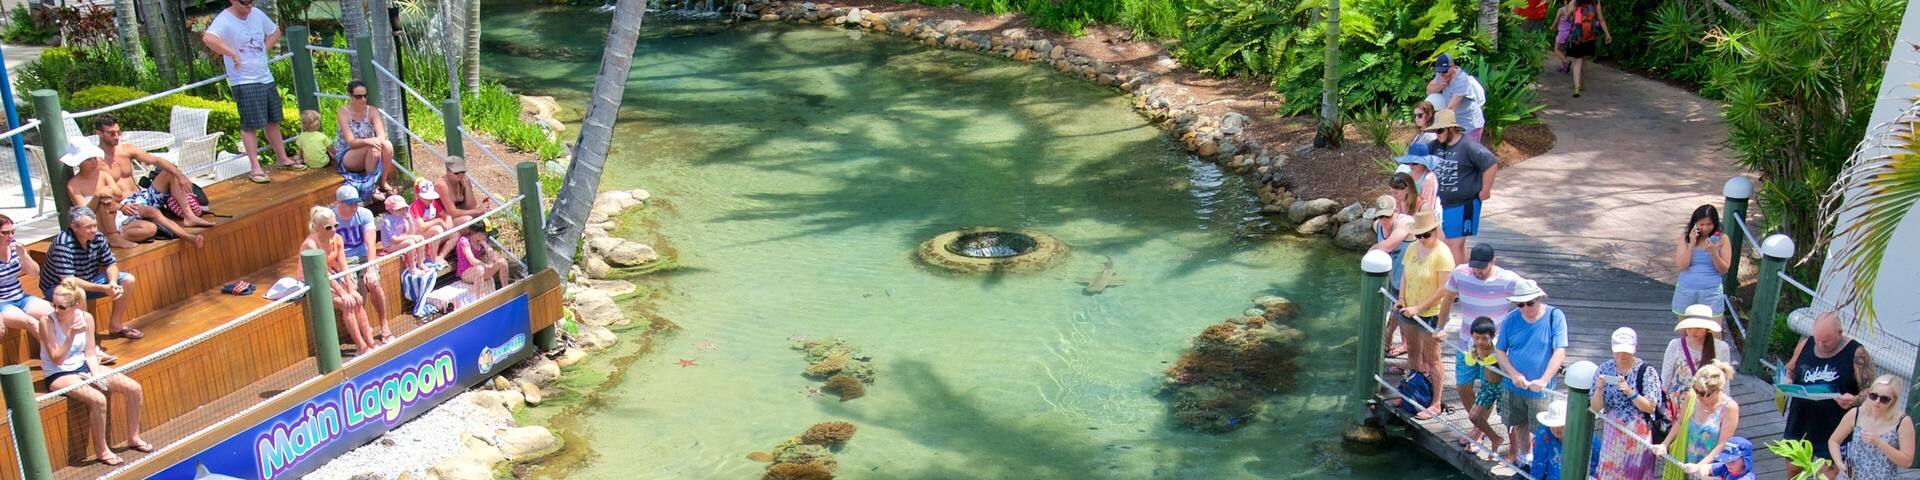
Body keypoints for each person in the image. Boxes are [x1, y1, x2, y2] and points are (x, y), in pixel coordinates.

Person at [38, 277, 150, 465]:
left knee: (134, 388)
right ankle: (102, 451)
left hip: (82, 366)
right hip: (58, 373)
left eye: (61, 307)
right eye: (54, 305)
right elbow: (57, 358)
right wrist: (71, 335)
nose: (56, 310)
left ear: (75, 306)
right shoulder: (46, 322)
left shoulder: (86, 318)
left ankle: (134, 437)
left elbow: (90, 352)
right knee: (98, 399)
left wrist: (96, 374)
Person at [202, 0, 295, 183]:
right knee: (250, 125)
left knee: (273, 120)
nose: (249, 5)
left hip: (265, 77)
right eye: (245, 2)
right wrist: (232, 53)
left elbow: (275, 31)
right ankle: (255, 168)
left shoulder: (257, 14)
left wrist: (263, 49)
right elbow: (209, 38)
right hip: (244, 81)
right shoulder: (225, 19)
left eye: (251, 1)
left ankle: (283, 158)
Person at [1428, 243, 1521, 416]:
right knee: (1463, 386)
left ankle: (1478, 430)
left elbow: (1530, 298)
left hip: (1494, 349)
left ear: (1493, 261)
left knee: (1488, 390)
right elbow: (1448, 299)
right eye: (1474, 267)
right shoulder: (1460, 273)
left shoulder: (1509, 279)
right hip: (1466, 343)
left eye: (1482, 268)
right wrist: (1440, 327)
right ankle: (1477, 423)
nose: (1477, 271)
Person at [1785, 311, 1878, 478]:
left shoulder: (1857, 353)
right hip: (1801, 420)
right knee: (1794, 470)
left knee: (1827, 475)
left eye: (1826, 342)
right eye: (1817, 340)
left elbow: (1872, 390)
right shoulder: (1806, 344)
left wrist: (1855, 399)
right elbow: (1790, 368)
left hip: (1834, 425)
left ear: (1840, 333)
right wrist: (1788, 380)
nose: (1820, 345)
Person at [61, 140, 203, 249]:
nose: (93, 162)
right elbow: (85, 213)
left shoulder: (103, 175)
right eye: (88, 159)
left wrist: (113, 196)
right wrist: (98, 195)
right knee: (104, 201)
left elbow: (118, 194)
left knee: (151, 228)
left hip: (118, 216)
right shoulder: (73, 185)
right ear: (79, 162)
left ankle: (187, 236)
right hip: (97, 224)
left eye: (94, 158)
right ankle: (112, 236)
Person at [95, 114, 218, 231]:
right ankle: (184, 234)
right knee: (152, 214)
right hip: (126, 206)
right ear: (99, 133)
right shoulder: (96, 160)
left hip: (144, 195)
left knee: (170, 172)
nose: (116, 136)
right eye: (111, 134)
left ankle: (189, 216)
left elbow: (156, 160)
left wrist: (180, 175)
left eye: (118, 132)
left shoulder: (126, 149)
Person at [1495, 278, 1567, 465]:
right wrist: (1513, 373)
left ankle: (1545, 462)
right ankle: (1525, 457)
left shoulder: (1555, 316)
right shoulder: (1511, 319)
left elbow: (1559, 351)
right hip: (1513, 386)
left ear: (1539, 298)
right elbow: (1500, 350)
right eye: (1521, 304)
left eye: (1530, 303)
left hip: (1541, 390)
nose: (1526, 308)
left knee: (1544, 429)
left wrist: (1544, 379)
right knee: (1519, 423)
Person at [42, 207, 141, 339]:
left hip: (90, 279)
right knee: (79, 293)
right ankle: (87, 341)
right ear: (74, 227)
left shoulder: (98, 237)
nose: (93, 230)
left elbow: (110, 264)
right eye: (88, 227)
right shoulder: (63, 244)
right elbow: (69, 281)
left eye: (95, 225)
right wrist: (103, 288)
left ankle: (115, 326)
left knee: (128, 279)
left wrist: (112, 283)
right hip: (58, 287)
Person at [1394, 210, 1453, 420]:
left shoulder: (1443, 254)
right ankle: (1408, 390)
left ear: (1434, 231)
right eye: (1418, 235)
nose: (1421, 239)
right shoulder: (1411, 248)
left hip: (1430, 314)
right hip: (1408, 309)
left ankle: (1436, 402)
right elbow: (1405, 277)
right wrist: (1401, 299)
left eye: (1425, 235)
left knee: (1432, 358)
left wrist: (1419, 308)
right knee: (1412, 353)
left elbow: (1443, 289)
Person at [1424, 109, 1499, 264]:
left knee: (1454, 244)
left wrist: (1486, 190)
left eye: (1440, 130)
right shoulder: (1434, 146)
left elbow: (1491, 163)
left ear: (1451, 128)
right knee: (1447, 243)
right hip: (1442, 204)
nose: (1437, 134)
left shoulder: (1468, 146)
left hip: (1465, 203)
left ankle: (1457, 282)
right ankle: (1458, 277)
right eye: (1435, 131)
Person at [303, 206, 377, 353]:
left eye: (335, 225)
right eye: (328, 227)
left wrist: (350, 289)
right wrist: (342, 293)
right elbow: (323, 273)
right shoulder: (311, 245)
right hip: (314, 281)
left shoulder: (337, 239)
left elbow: (343, 266)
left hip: (331, 275)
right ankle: (361, 347)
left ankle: (371, 342)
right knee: (346, 303)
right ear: (317, 228)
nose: (333, 230)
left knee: (356, 299)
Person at [1592, 327, 1662, 480]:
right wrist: (1599, 388)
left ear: (1635, 349)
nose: (1622, 355)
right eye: (1618, 350)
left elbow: (1651, 406)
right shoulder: (1604, 369)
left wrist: (1631, 392)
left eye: (1627, 350)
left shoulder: (1647, 371)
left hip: (1638, 439)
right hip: (1612, 438)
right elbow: (1596, 407)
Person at [1828, 375, 1915, 480]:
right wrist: (1840, 464)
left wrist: (1879, 443)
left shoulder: (1902, 422)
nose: (1877, 401)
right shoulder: (1856, 413)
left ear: (1894, 401)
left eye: (1884, 399)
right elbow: (1834, 441)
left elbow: (1907, 462)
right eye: (1873, 396)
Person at [1664, 361, 1740, 480]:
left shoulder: (1729, 408)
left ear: (1718, 390)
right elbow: (1680, 422)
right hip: (1685, 461)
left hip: (1709, 469)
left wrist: (1699, 466)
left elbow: (1723, 443)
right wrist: (1665, 444)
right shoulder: (1692, 396)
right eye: (1695, 390)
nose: (1698, 396)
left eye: (1703, 393)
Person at [334, 186, 390, 341]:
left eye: (356, 203)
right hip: (343, 261)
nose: (355, 207)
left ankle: (383, 324)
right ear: (340, 203)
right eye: (350, 204)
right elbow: (330, 251)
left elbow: (371, 244)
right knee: (353, 292)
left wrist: (370, 268)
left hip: (363, 257)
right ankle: (363, 331)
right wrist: (344, 274)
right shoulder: (331, 220)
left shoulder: (365, 214)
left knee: (374, 284)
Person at [1663, 304, 1734, 423]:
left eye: (1698, 328)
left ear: (1707, 328)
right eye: (1689, 327)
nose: (1693, 331)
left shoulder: (1721, 348)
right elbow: (1665, 379)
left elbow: (1724, 384)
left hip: (1706, 404)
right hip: (1677, 406)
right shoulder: (1675, 345)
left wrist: (1723, 409)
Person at [331, 80, 397, 201]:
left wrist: (375, 141)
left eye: (365, 96)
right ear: (350, 96)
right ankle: (370, 188)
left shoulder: (372, 111)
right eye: (358, 96)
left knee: (387, 145)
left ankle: (382, 182)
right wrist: (369, 141)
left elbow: (381, 135)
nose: (362, 99)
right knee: (371, 148)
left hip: (371, 149)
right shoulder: (343, 112)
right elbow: (350, 142)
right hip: (348, 152)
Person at [1368, 195, 1413, 358]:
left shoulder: (1405, 222)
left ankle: (1403, 345)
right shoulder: (1377, 226)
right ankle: (1395, 340)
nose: (1384, 220)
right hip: (1393, 278)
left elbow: (1388, 245)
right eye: (1380, 216)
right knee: (1396, 308)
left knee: (1402, 312)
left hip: (1410, 279)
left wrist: (1373, 249)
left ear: (1395, 211)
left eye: (1387, 216)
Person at [1672, 205, 1732, 318]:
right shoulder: (1686, 237)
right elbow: (1682, 266)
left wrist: (1714, 253)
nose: (1705, 228)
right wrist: (1691, 245)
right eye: (1701, 224)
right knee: (1687, 330)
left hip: (1711, 291)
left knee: (1714, 330)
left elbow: (1724, 269)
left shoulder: (1722, 239)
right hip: (1687, 289)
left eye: (1709, 224)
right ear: (1695, 224)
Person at [1463, 317, 1507, 453]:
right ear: (1472, 335)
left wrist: (1484, 358)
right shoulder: (1471, 344)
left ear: (1492, 337)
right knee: (1474, 416)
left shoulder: (1499, 348)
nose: (1480, 342)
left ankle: (1515, 452)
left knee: (1508, 420)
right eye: (1477, 338)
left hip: (1504, 386)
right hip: (1489, 385)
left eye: (1484, 338)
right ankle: (1495, 438)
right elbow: (1470, 361)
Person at [0, 214, 49, 336]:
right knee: (32, 322)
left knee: (57, 314)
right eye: (4, 233)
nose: (10, 236)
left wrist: (23, 255)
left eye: (12, 232)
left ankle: (77, 350)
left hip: (21, 297)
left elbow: (34, 273)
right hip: (3, 304)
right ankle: (55, 354)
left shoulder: (14, 247)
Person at [1425, 54, 1487, 142]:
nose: (1442, 74)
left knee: (1468, 153)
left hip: (1471, 124)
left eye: (1445, 71)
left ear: (1453, 66)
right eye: (1440, 71)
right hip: (1456, 122)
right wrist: (1440, 85)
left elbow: (1451, 108)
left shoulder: (1462, 80)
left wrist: (1436, 127)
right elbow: (1429, 90)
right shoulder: (1441, 74)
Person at [1564, 0, 1612, 97]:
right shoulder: (1595, 2)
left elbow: (1566, 18)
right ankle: (1581, 83)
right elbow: (1601, 18)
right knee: (1584, 59)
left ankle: (1576, 87)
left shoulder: (1574, 2)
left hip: (1576, 36)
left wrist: (1568, 11)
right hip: (1589, 36)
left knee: (1577, 61)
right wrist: (1607, 33)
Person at [434, 156, 494, 225]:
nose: (460, 175)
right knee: (467, 219)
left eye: (463, 171)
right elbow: (452, 213)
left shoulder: (464, 180)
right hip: (444, 221)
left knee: (484, 213)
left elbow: (471, 206)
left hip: (458, 217)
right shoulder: (441, 185)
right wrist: (477, 210)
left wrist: (467, 187)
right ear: (448, 172)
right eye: (457, 172)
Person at [411, 179, 456, 265]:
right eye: (427, 197)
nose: (430, 199)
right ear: (418, 196)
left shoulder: (433, 202)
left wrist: (448, 218)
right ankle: (433, 257)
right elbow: (422, 226)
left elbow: (444, 214)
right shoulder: (415, 206)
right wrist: (438, 220)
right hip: (417, 234)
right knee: (438, 229)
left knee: (455, 234)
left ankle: (440, 257)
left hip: (430, 233)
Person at [455, 223, 508, 294]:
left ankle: (506, 290)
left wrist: (485, 245)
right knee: (479, 270)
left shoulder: (482, 242)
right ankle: (480, 298)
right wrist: (486, 266)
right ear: (479, 234)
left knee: (502, 262)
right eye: (486, 234)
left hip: (481, 269)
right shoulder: (464, 241)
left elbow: (494, 258)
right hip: (466, 272)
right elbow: (472, 260)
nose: (487, 237)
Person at [1394, 143, 1442, 216]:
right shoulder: (1407, 174)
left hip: (1421, 218)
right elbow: (1399, 198)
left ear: (1424, 163)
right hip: (1405, 216)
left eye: (1415, 163)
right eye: (1409, 162)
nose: (1411, 165)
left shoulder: (1429, 178)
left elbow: (1427, 205)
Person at [1531, 399, 1568, 480]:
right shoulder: (1542, 435)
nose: (1556, 429)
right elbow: (1538, 463)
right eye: (1552, 425)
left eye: (1561, 425)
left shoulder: (1588, 441)